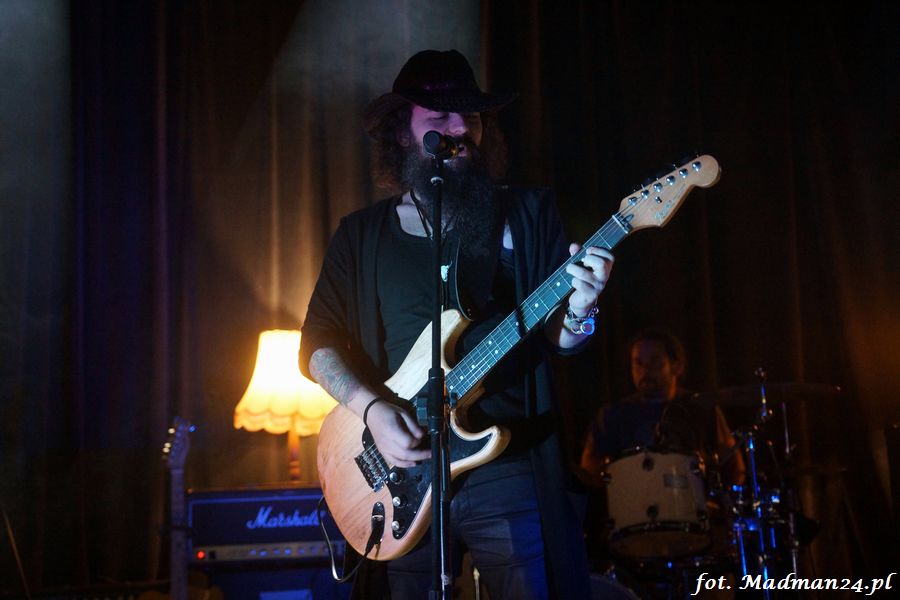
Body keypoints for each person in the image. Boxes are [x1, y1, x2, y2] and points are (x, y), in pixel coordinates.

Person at [299, 49, 614, 599]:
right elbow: (318, 346)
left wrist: (582, 309)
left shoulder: (525, 214)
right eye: (440, 116)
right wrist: (372, 410)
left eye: (470, 116)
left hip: (506, 461)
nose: (460, 129)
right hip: (402, 471)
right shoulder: (361, 235)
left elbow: (560, 339)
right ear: (403, 131)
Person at [580, 328, 744, 485]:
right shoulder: (612, 414)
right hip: (632, 499)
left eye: (654, 361)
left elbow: (734, 467)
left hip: (691, 498)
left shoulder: (701, 408)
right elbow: (589, 467)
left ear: (677, 366)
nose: (645, 369)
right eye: (638, 362)